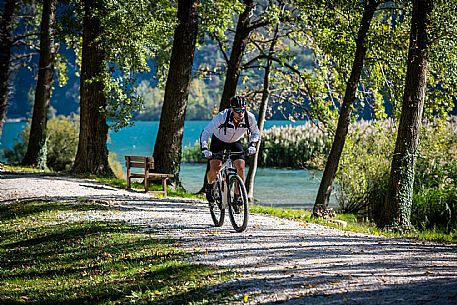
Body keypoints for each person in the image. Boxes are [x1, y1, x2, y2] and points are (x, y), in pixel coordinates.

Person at [200, 96, 260, 204]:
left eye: (243, 109)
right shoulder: (223, 116)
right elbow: (206, 132)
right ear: (232, 109)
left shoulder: (249, 117)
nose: (241, 113)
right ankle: (209, 186)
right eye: (237, 110)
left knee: (240, 167)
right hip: (219, 141)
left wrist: (252, 145)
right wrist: (204, 148)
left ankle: (237, 196)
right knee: (215, 168)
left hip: (235, 142)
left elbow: (255, 133)